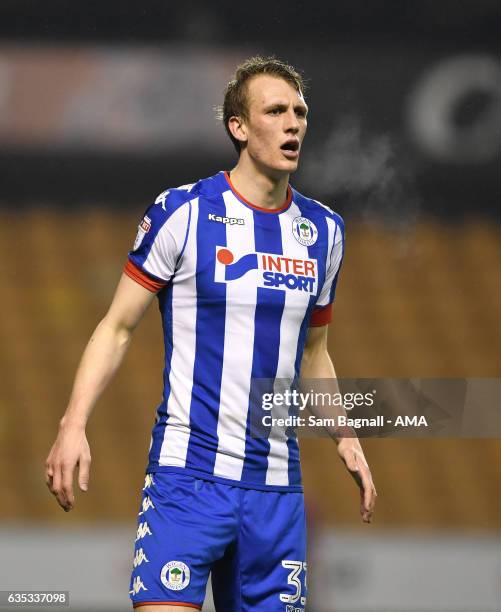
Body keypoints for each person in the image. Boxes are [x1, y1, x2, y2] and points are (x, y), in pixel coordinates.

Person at [45, 55, 377, 611]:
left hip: (275, 492)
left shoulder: (324, 232)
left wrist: (346, 436)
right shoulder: (185, 211)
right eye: (276, 110)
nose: (293, 122)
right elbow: (117, 327)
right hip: (187, 480)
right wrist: (73, 423)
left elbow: (315, 350)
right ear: (239, 127)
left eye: (300, 111)